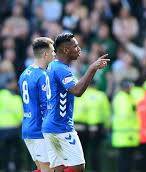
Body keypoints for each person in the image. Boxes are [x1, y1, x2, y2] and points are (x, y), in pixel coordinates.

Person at [41, 33, 109, 172]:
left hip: (50, 126)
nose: (79, 49)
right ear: (66, 50)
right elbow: (77, 91)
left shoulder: (53, 66)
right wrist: (92, 69)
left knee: (58, 168)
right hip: (61, 126)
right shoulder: (61, 68)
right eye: (76, 46)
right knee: (78, 167)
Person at [18, 37, 55, 172]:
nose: (54, 54)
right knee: (49, 170)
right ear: (45, 54)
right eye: (52, 51)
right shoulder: (43, 75)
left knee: (41, 168)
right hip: (39, 130)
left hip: (27, 128)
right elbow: (46, 106)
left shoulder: (24, 74)